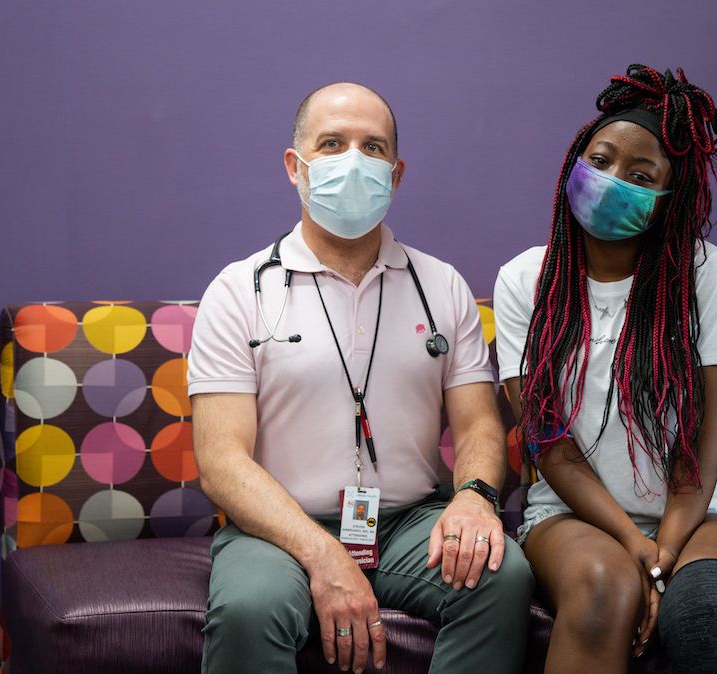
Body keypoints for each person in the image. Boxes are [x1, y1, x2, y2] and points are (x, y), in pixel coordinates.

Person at [189, 82, 533, 674]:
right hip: (275, 528)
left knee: (502, 579)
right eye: (332, 143)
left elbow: (479, 422)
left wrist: (476, 497)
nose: (353, 160)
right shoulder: (239, 290)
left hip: (409, 519)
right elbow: (222, 461)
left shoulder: (442, 285)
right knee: (251, 608)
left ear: (396, 175)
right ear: (295, 167)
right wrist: (321, 553)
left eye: (372, 147)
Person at [494, 64, 717, 674]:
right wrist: (633, 545)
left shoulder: (701, 271)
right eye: (600, 160)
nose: (611, 179)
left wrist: (664, 549)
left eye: (641, 175)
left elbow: (701, 442)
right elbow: (550, 444)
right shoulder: (525, 280)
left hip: (696, 512)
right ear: (574, 162)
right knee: (601, 590)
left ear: (667, 201)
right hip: (569, 515)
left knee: (707, 612)